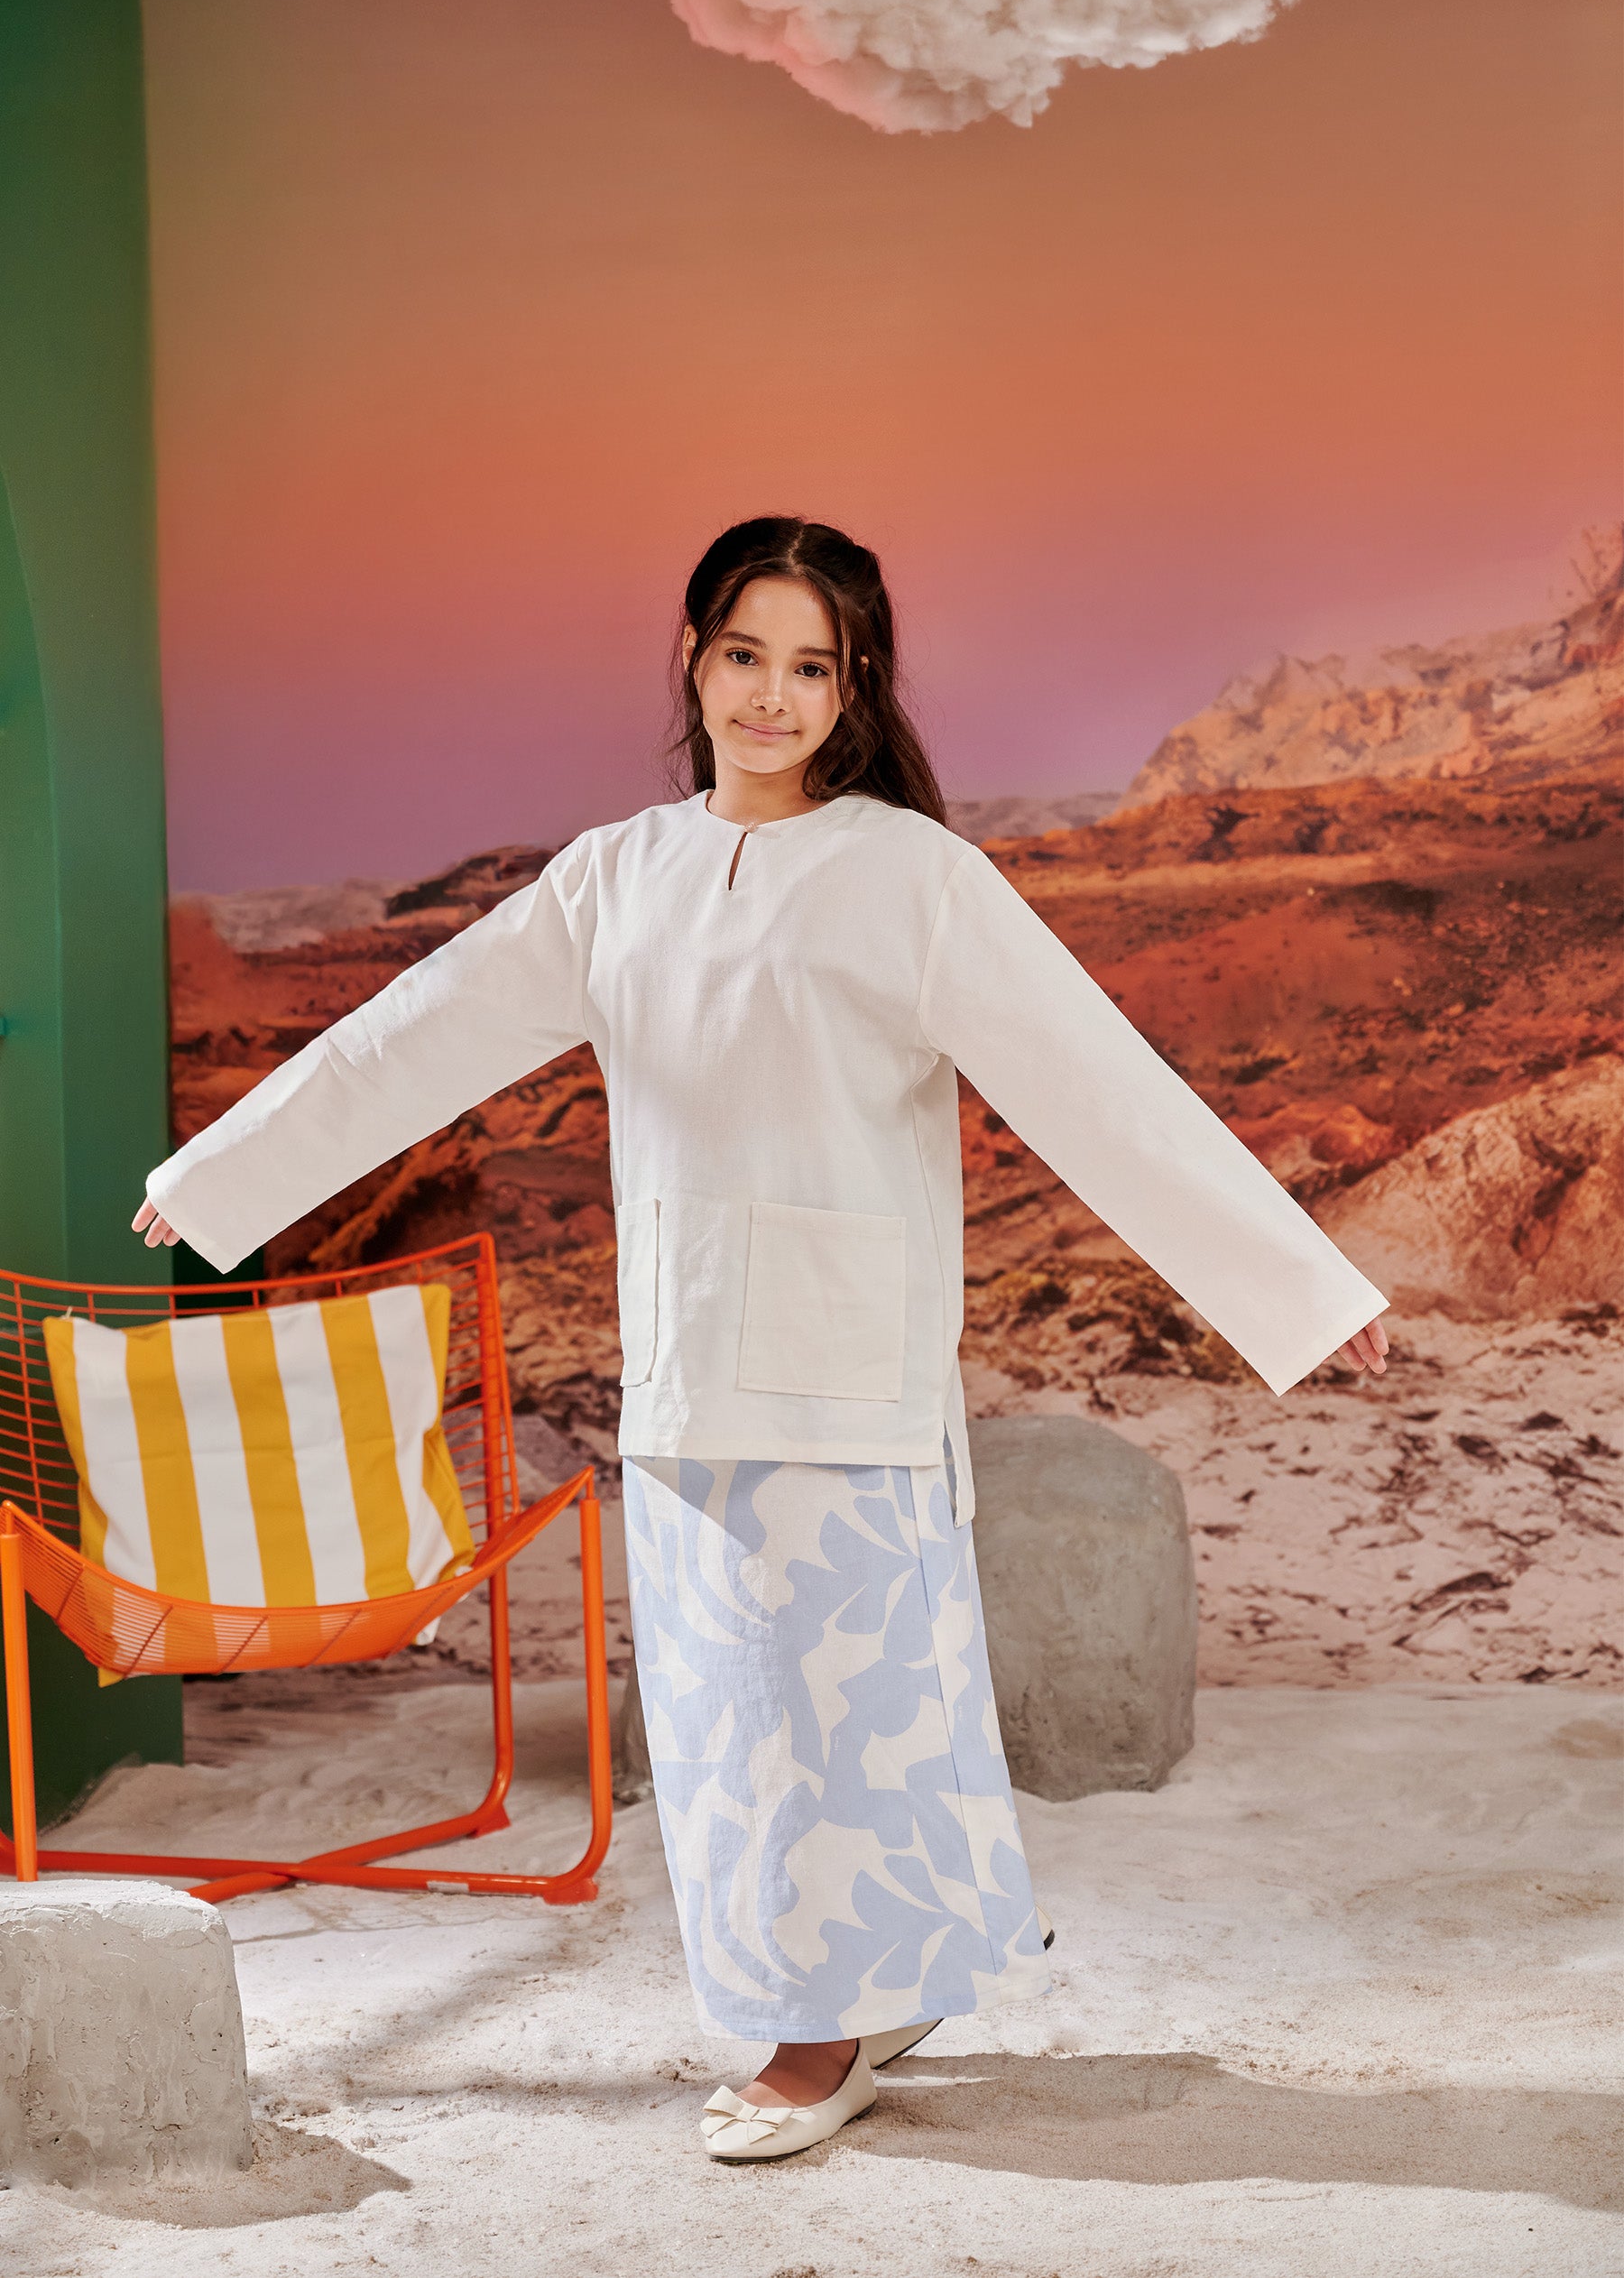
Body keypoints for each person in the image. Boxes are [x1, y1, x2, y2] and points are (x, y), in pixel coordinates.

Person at [135, 513, 1390, 2163]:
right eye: (746, 654)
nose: (774, 693)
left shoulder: (915, 877)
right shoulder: (618, 877)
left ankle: (820, 2035)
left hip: (851, 1383)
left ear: (855, 683)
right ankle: (878, 1992)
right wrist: (223, 1174)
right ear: (693, 655)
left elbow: (1104, 1087)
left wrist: (1307, 1291)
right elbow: (416, 1031)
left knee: (846, 1728)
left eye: (814, 664)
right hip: (686, 1376)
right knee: (733, 1724)